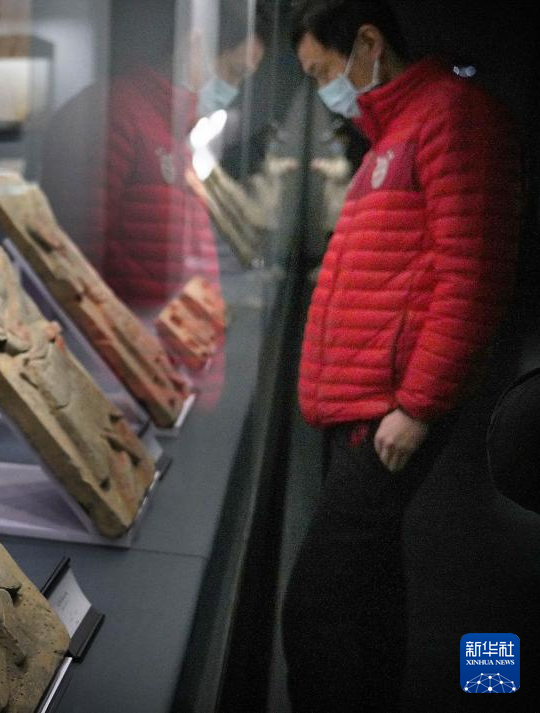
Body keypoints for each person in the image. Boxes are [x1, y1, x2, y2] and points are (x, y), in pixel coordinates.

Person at [280, 1, 522, 710]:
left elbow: (472, 274)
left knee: (316, 608)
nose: (323, 89)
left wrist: (417, 406)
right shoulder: (396, 130)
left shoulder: (452, 115)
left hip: (386, 410)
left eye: (322, 72)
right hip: (360, 402)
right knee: (367, 587)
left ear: (367, 42)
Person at [40, 0, 268, 409]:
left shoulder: (172, 128)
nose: (231, 89)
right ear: (196, 46)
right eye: (233, 72)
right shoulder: (114, 114)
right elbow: (79, 256)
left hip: (165, 370)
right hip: (119, 375)